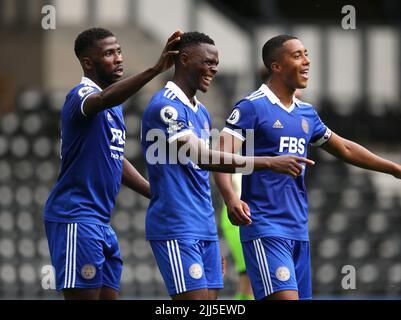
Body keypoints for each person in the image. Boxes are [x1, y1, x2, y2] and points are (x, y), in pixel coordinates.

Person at [213, 34, 401, 300]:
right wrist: (231, 198)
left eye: (307, 54)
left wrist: (393, 168)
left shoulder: (306, 113)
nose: (307, 61)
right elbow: (220, 157)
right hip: (265, 225)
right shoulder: (251, 107)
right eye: (298, 55)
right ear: (276, 66)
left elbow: (345, 148)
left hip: (298, 228)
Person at [140, 32, 315, 300]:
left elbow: (201, 171)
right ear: (185, 60)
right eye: (208, 62)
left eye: (216, 62)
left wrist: (212, 234)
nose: (215, 68)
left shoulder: (200, 111)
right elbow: (204, 158)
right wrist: (268, 162)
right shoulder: (166, 107)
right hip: (176, 224)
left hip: (203, 225)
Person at [43, 27, 182, 300]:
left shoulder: (114, 107)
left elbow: (115, 157)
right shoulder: (81, 95)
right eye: (109, 53)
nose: (118, 58)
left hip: (101, 222)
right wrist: (155, 69)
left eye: (119, 51)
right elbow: (104, 98)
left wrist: (155, 193)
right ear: (88, 63)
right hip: (76, 217)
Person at [220, 173, 253, 300]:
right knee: (251, 276)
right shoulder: (231, 154)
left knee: (246, 279)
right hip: (238, 215)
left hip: (243, 214)